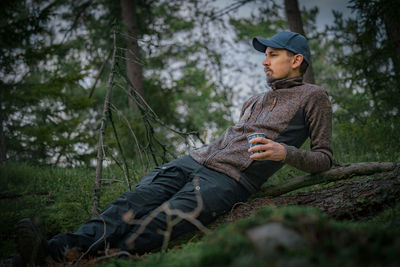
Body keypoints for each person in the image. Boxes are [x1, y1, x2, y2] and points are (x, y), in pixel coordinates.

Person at [15, 31, 332, 265]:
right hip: (193, 161)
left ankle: (77, 258)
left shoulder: (313, 97)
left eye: (273, 54)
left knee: (159, 222)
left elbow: (324, 158)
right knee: (130, 202)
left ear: (296, 59)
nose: (265, 61)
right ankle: (54, 250)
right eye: (265, 55)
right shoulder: (255, 99)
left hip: (228, 181)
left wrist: (284, 153)